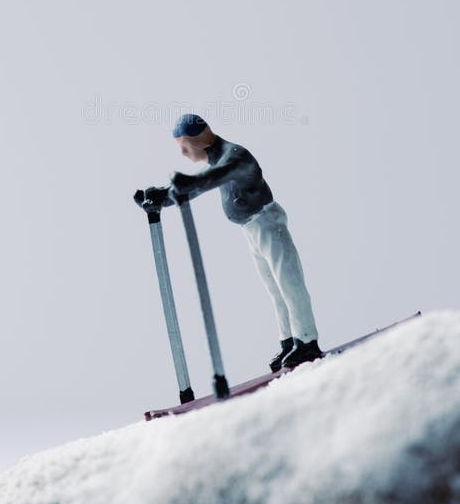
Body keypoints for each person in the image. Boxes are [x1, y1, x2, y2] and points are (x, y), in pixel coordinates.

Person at [134, 113, 323, 372]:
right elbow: (199, 185)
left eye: (184, 148)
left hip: (267, 223)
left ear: (197, 141)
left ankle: (307, 341)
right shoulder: (217, 160)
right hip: (251, 229)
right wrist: (162, 196)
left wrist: (188, 183)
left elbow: (212, 179)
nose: (184, 155)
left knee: (289, 284)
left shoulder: (236, 156)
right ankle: (289, 340)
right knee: (275, 290)